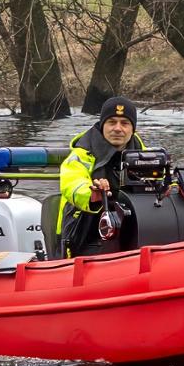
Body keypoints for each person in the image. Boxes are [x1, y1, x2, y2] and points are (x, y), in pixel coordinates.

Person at [56, 96, 147, 257]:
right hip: (84, 231)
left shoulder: (146, 156)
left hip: (134, 227)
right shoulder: (82, 154)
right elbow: (72, 183)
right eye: (112, 122)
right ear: (102, 124)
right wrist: (91, 194)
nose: (117, 128)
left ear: (133, 128)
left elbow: (164, 182)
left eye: (124, 123)